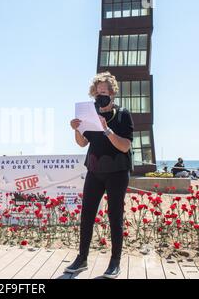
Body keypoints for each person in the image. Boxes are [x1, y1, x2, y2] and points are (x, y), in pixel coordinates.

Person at [67, 72, 134, 279]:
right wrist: (76, 129)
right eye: (97, 93)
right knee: (87, 214)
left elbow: (125, 146)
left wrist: (107, 130)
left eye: (103, 92)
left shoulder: (123, 115)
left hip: (117, 172)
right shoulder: (90, 114)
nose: (99, 96)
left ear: (112, 93)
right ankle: (82, 258)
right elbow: (82, 143)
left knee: (115, 217)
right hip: (95, 170)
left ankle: (115, 263)